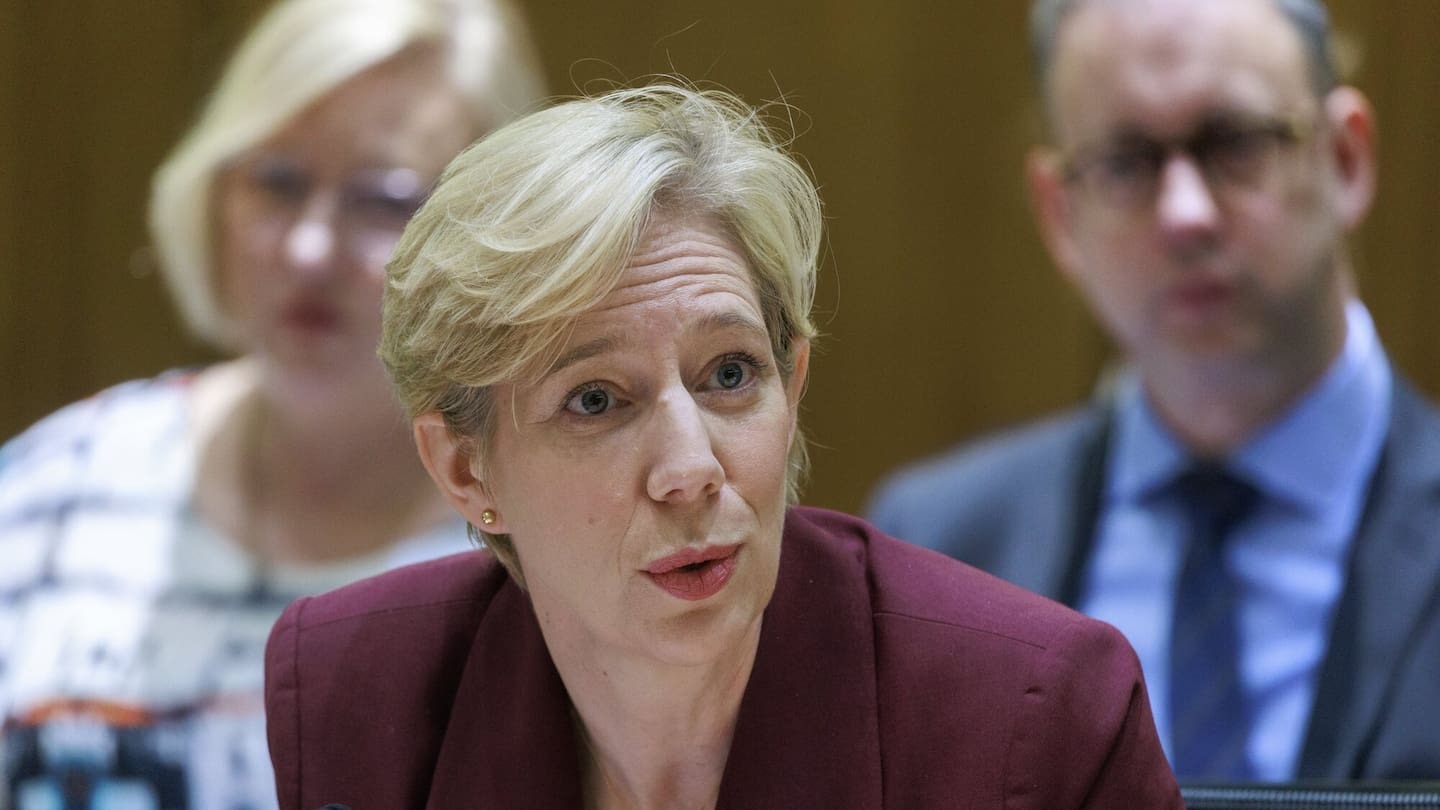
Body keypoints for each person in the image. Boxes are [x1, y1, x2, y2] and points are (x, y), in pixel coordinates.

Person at [261, 83, 1182, 808]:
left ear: (795, 380)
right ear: (465, 468)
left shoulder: (1032, 715)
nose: (691, 467)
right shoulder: (360, 690)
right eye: (595, 400)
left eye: (731, 375)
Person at [869, 0, 1440, 784]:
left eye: (1236, 142)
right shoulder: (935, 552)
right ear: (1060, 213)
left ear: (1345, 159)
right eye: (1126, 162)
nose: (1185, 214)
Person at [0, 0, 544, 805]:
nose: (309, 249)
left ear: (507, 235)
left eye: (385, 200)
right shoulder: (49, 490)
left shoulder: (548, 546)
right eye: (278, 182)